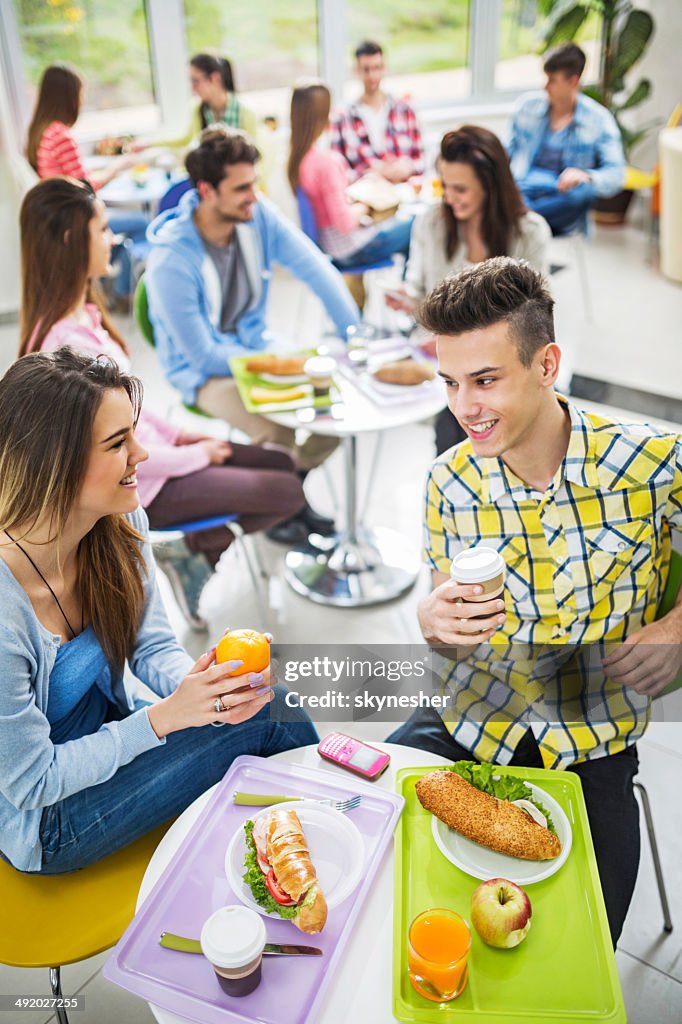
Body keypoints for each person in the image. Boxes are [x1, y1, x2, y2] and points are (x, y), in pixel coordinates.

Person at [388, 258, 682, 946]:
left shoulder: (651, 463)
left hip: (591, 745)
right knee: (377, 875)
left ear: (547, 364)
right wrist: (434, 622)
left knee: (581, 951)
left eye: (485, 380)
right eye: (451, 383)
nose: (464, 407)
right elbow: (442, 607)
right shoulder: (446, 482)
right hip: (466, 722)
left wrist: (676, 627)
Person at [0, 348, 318, 874]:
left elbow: (153, 648)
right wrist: (165, 718)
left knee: (258, 705)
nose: (142, 454)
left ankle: (292, 859)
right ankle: (325, 850)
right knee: (272, 718)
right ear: (55, 462)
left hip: (106, 741)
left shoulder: (122, 526)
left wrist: (210, 687)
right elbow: (33, 780)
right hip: (47, 819)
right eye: (118, 442)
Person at [19, 177, 306, 626]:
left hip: (158, 453)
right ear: (73, 240)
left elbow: (127, 407)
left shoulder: (87, 317)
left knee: (283, 464)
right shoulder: (62, 344)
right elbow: (111, 455)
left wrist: (181, 434)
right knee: (288, 490)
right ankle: (196, 547)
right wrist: (193, 455)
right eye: (103, 230)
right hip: (141, 483)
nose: (113, 240)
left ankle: (198, 544)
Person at [145, 125, 361, 534]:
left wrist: (354, 333)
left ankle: (285, 492)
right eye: (242, 187)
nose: (254, 196)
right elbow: (204, 355)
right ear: (207, 191)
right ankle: (283, 506)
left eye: (255, 183)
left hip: (255, 350)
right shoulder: (171, 262)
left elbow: (315, 268)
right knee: (276, 426)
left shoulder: (256, 216)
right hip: (203, 374)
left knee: (332, 408)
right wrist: (281, 361)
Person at [386, 125, 551, 453]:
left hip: (507, 367)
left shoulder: (529, 233)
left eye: (460, 189)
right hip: (446, 363)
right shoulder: (430, 224)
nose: (449, 197)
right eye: (444, 186)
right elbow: (419, 294)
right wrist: (408, 300)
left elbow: (538, 321)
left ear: (489, 185)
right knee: (452, 444)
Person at [25, 63, 148, 303]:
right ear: (69, 97)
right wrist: (118, 167)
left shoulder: (42, 132)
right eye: (80, 95)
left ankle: (109, 286)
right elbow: (85, 187)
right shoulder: (61, 135)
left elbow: (71, 175)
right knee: (142, 223)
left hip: (58, 215)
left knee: (121, 235)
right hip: (75, 216)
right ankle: (122, 291)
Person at [288, 81, 413, 271]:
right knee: (417, 223)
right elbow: (344, 223)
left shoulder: (297, 160)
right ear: (323, 116)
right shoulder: (326, 162)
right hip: (350, 250)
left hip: (329, 246)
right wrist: (368, 202)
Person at [507, 43, 625, 236]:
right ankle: (523, 219)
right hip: (524, 190)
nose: (545, 86)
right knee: (506, 194)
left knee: (584, 192)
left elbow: (616, 175)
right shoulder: (526, 108)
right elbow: (504, 153)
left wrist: (586, 175)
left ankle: (519, 220)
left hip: (561, 200)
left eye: (552, 80)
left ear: (573, 81)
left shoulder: (598, 119)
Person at [330, 40, 424, 183]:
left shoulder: (405, 110)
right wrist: (368, 174)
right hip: (364, 197)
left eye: (377, 68)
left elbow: (422, 161)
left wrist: (408, 167)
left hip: (404, 193)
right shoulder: (343, 117)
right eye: (366, 69)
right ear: (356, 70)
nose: (372, 75)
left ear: (384, 68)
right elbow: (336, 171)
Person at [166, 53, 259, 150]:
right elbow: (187, 140)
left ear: (215, 78)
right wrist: (152, 145)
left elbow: (255, 155)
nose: (193, 88)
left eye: (195, 81)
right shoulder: (198, 110)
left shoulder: (246, 113)